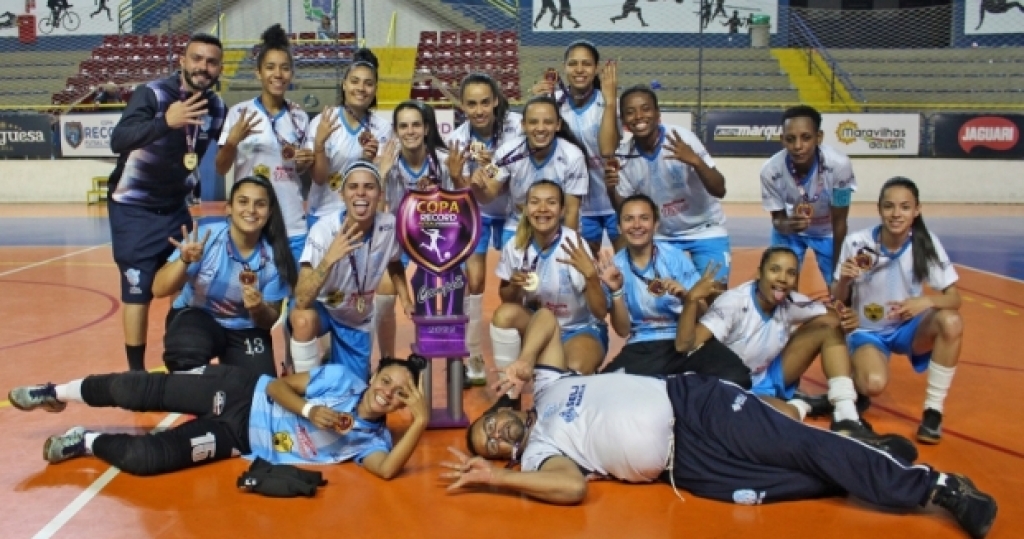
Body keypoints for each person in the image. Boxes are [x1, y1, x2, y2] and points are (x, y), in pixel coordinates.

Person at [442, 309, 998, 539]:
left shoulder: (548, 385)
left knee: (801, 447)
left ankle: (937, 486)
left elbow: (542, 316)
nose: (493, 438)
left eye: (489, 426)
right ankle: (879, 455)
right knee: (801, 480)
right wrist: (496, 479)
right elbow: (570, 487)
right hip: (689, 468)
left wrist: (519, 363)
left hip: (694, 405)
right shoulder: (540, 452)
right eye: (489, 448)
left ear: (505, 409)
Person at [673, 246, 917, 463]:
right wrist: (692, 299)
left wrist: (848, 319)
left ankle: (846, 417)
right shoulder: (733, 304)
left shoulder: (790, 302)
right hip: (734, 387)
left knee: (829, 326)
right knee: (788, 417)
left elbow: (832, 317)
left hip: (768, 376)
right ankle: (806, 405)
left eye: (791, 273)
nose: (782, 279)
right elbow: (690, 344)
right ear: (759, 273)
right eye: (775, 270)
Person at [8, 356, 429, 480]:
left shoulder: (371, 442)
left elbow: (389, 471)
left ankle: (83, 441)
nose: (387, 392)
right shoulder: (339, 380)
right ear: (373, 375)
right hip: (240, 392)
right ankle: (55, 393)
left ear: (402, 406)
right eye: (387, 380)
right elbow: (273, 386)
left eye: (400, 394)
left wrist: (421, 421)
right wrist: (308, 410)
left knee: (146, 461)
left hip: (237, 440)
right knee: (134, 391)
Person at [107, 33, 226, 371]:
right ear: (183, 61)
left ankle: (179, 358)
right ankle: (136, 373)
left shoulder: (216, 108)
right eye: (197, 59)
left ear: (219, 68)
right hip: (134, 207)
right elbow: (119, 140)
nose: (203, 67)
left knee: (185, 278)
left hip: (175, 206)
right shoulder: (154, 94)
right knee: (137, 289)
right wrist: (165, 122)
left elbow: (230, 149)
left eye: (211, 62)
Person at [831, 177, 964, 445]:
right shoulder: (857, 242)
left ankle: (933, 412)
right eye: (889, 206)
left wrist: (925, 302)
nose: (896, 214)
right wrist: (844, 279)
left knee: (951, 322)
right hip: (869, 331)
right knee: (873, 384)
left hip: (908, 328)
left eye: (905, 207)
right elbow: (837, 299)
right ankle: (855, 384)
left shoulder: (925, 243)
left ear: (917, 210)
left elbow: (955, 299)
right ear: (879, 209)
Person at [152, 175, 297, 378]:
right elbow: (158, 289)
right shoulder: (206, 239)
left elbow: (267, 321)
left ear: (270, 212)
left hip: (244, 326)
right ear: (229, 207)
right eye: (243, 201)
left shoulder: (275, 257)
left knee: (258, 394)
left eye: (260, 204)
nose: (251, 210)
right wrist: (183, 261)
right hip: (198, 316)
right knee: (185, 356)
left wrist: (258, 308)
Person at [597, 195, 750, 386]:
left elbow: (702, 315)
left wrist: (688, 298)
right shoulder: (615, 267)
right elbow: (622, 331)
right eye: (629, 219)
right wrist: (616, 291)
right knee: (605, 387)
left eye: (644, 218)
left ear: (656, 224)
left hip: (683, 340)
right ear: (619, 227)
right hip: (643, 346)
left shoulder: (675, 258)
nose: (637, 225)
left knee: (738, 377)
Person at [288, 161, 414, 381]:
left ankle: (336, 365)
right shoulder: (324, 231)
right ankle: (305, 388)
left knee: (353, 391)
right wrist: (329, 259)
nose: (361, 193)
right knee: (302, 319)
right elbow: (301, 299)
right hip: (323, 307)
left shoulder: (389, 226)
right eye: (353, 187)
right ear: (342, 194)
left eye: (369, 187)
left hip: (355, 316)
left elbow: (394, 261)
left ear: (379, 193)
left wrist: (405, 298)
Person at [602, 85, 731, 284]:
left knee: (713, 296)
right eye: (630, 112)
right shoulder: (624, 157)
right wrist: (611, 188)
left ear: (657, 114)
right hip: (661, 235)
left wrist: (695, 161)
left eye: (645, 109)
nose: (638, 116)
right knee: (660, 297)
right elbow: (624, 208)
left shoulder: (682, 139)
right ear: (624, 122)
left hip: (705, 228)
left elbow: (719, 189)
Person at [491, 181, 608, 392]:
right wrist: (514, 285)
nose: (542, 209)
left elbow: (600, 312)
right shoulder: (516, 245)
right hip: (539, 328)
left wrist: (591, 276)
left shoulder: (574, 245)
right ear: (525, 209)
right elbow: (507, 299)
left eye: (551, 203)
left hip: (579, 328)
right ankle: (509, 396)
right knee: (504, 315)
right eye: (535, 202)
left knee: (572, 371)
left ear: (562, 210)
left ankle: (578, 374)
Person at [445, 73, 523, 385]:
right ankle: (474, 356)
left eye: (485, 102)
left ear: (495, 102)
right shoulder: (459, 140)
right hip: (478, 211)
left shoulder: (516, 127)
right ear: (462, 106)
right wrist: (461, 179)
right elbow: (465, 193)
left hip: (515, 211)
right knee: (474, 282)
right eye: (472, 104)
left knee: (515, 281)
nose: (479, 110)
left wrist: (494, 167)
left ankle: (518, 354)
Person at [217, 24, 313, 265]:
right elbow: (220, 168)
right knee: (254, 297)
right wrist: (231, 142)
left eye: (284, 68)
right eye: (270, 67)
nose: (277, 74)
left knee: (297, 296)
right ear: (258, 72)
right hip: (251, 222)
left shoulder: (299, 116)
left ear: (291, 73)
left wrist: (304, 162)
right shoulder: (239, 113)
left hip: (292, 221)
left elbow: (300, 170)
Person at [375, 100, 459, 359]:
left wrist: (437, 197)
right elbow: (379, 217)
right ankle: (388, 360)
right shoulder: (386, 162)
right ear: (396, 131)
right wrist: (380, 174)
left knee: (456, 286)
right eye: (403, 126)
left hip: (438, 235)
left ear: (425, 129)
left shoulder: (444, 162)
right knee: (384, 294)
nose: (409, 131)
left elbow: (460, 214)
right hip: (400, 235)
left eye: (415, 125)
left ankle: (458, 359)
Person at [532, 41, 619, 255]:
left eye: (586, 64)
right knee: (580, 271)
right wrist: (535, 101)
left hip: (616, 199)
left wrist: (610, 103)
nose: (579, 69)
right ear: (564, 68)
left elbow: (607, 149)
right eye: (573, 64)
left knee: (625, 269)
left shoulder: (606, 101)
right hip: (579, 206)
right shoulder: (554, 105)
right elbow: (535, 141)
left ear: (597, 68)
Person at [467, 95, 589, 246]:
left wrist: (566, 247)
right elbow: (487, 196)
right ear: (523, 125)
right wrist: (477, 187)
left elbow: (571, 211)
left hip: (558, 227)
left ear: (558, 125)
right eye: (533, 122)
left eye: (548, 122)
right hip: (518, 226)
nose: (540, 128)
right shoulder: (506, 152)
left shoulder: (573, 156)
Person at [761, 105, 855, 290]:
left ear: (818, 137)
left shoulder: (840, 165)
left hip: (828, 232)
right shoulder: (770, 171)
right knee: (780, 288)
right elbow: (777, 220)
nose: (797, 146)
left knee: (841, 291)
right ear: (782, 140)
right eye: (790, 139)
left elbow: (840, 221)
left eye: (806, 138)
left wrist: (837, 272)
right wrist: (789, 225)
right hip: (790, 233)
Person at [304, 48, 392, 228]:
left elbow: (379, 181)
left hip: (362, 217)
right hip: (323, 216)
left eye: (368, 83)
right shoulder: (324, 121)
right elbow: (319, 179)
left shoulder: (382, 128)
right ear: (344, 84)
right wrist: (319, 144)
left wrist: (368, 161)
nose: (361, 88)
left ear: (375, 89)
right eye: (354, 81)